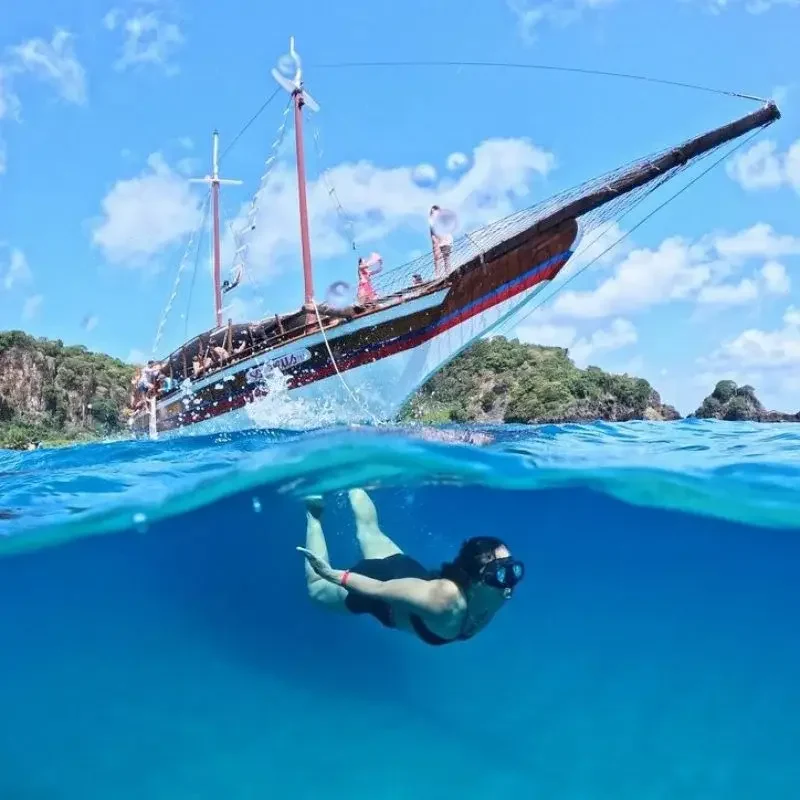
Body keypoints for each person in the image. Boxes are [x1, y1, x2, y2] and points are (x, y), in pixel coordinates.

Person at [297, 489, 524, 646]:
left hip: (406, 572)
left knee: (370, 532)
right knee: (316, 587)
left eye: (513, 570)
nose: (511, 583)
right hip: (380, 592)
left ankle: (353, 483)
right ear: (476, 580)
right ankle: (313, 515)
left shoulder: (497, 595)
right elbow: (378, 589)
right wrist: (331, 574)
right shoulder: (445, 600)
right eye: (501, 574)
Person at [428, 205, 453, 277]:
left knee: (447, 259)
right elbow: (433, 235)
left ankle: (448, 274)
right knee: (438, 260)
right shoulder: (432, 223)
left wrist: (449, 241)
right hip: (438, 244)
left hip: (446, 243)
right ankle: (438, 276)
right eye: (432, 213)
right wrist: (436, 244)